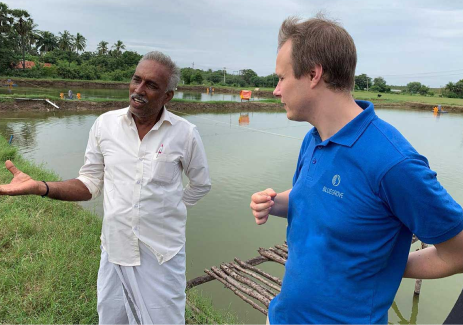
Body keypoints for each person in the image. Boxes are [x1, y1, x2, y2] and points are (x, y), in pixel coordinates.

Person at [250, 16, 463, 324]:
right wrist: (276, 202)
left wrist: (389, 264)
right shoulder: (314, 139)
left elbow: (457, 252)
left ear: (313, 74)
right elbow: (311, 197)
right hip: (283, 316)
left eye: (281, 78)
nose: (276, 90)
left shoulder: (394, 163)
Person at [0, 51, 211, 324]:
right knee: (112, 318)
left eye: (151, 85)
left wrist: (171, 208)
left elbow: (201, 184)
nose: (139, 89)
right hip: (116, 248)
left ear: (168, 96)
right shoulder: (105, 125)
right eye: (136, 80)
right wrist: (41, 186)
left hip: (162, 254)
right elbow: (89, 183)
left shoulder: (185, 133)